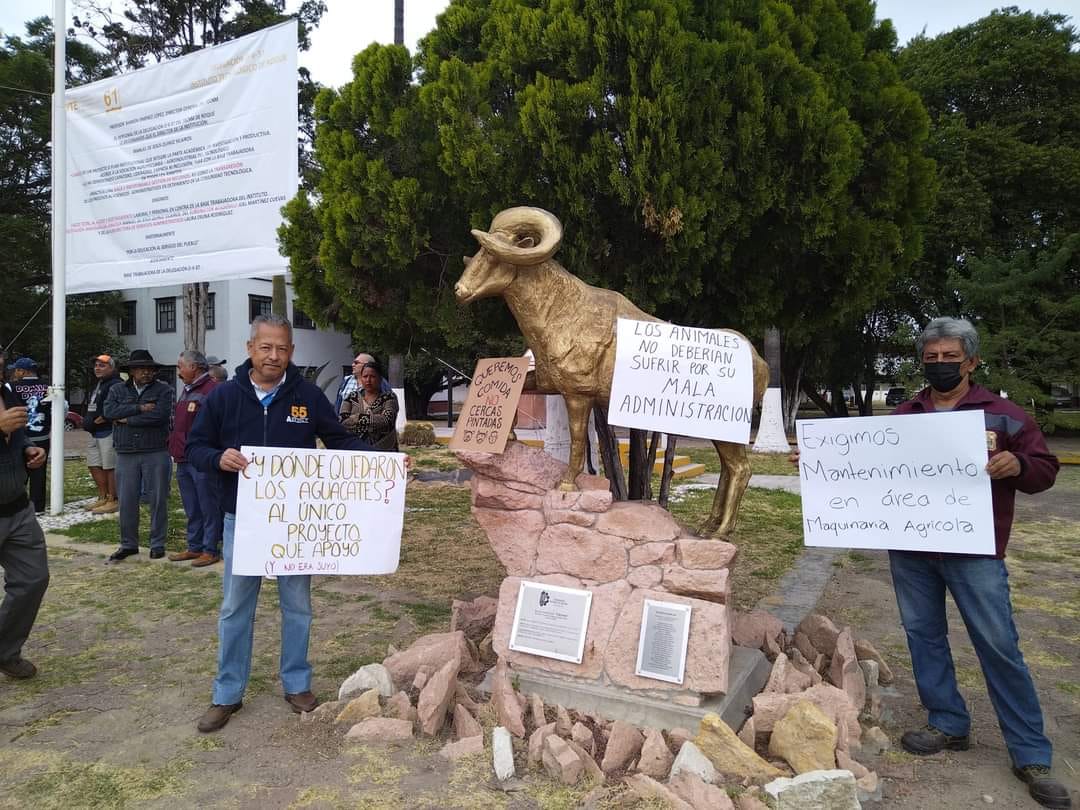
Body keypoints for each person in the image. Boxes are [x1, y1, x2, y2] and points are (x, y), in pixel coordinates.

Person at [794, 316, 1067, 809]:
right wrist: (821, 462)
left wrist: (1020, 464)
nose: (940, 364)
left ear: (972, 362)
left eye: (950, 357)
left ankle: (1030, 753)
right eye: (932, 357)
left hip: (976, 553)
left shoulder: (1003, 415)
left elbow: (1045, 469)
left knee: (998, 646)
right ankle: (947, 723)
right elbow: (874, 466)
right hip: (913, 551)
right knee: (924, 636)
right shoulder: (905, 415)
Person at [186, 314, 381, 733]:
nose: (273, 355)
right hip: (242, 520)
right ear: (250, 348)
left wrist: (386, 464)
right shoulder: (223, 397)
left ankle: (296, 684)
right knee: (235, 608)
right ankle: (227, 693)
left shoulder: (307, 396)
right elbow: (195, 447)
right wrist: (217, 458)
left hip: (295, 525)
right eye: (266, 347)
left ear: (291, 351)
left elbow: (339, 440)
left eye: (282, 348)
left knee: (298, 607)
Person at [0, 350, 49, 679]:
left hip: (17, 508)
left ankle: (5, 651)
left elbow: (17, 435)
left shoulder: (7, 391)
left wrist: (28, 447)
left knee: (33, 579)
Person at [103, 350, 175, 564]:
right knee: (126, 500)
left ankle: (157, 543)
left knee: (158, 499)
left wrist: (127, 419)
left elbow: (160, 416)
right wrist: (139, 408)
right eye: (141, 368)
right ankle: (128, 544)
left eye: (150, 369)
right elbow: (109, 412)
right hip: (126, 451)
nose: (146, 372)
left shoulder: (164, 389)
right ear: (132, 371)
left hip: (155, 450)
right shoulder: (117, 389)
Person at [167, 351, 221, 567]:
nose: (178, 372)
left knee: (208, 505)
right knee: (192, 506)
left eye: (181, 366)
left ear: (194, 367)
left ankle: (210, 549)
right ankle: (194, 546)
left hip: (201, 459)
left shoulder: (212, 390)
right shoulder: (187, 390)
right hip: (182, 458)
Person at [10, 358, 50, 513]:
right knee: (39, 472)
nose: (15, 373)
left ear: (22, 371)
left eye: (16, 370)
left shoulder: (11, 387)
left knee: (17, 472)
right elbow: (62, 409)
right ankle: (38, 507)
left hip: (19, 437)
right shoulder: (48, 386)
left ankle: (18, 506)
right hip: (42, 436)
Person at [83, 355, 122, 514]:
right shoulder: (100, 383)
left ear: (112, 368)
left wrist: (103, 418)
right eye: (96, 365)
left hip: (108, 431)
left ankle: (114, 499)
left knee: (109, 465)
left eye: (102, 365)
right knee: (93, 463)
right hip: (94, 432)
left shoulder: (116, 384)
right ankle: (103, 496)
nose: (97, 368)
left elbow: (118, 405)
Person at [339, 360, 400, 450]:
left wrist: (356, 418)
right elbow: (343, 421)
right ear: (361, 378)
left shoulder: (389, 397)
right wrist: (374, 421)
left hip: (384, 450)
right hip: (356, 449)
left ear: (380, 378)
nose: (368, 380)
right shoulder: (351, 397)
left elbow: (386, 420)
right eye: (365, 376)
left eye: (372, 376)